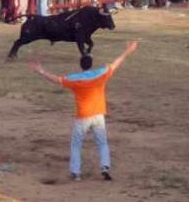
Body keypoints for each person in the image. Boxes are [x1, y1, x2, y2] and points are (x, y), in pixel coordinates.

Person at [27, 41, 138, 181]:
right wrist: (128, 51)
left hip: (83, 116)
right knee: (102, 142)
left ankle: (76, 172)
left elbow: (57, 80)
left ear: (81, 65)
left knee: (76, 144)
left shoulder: (75, 79)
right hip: (98, 114)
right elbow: (116, 63)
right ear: (91, 63)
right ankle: (105, 167)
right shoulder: (101, 74)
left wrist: (41, 71)